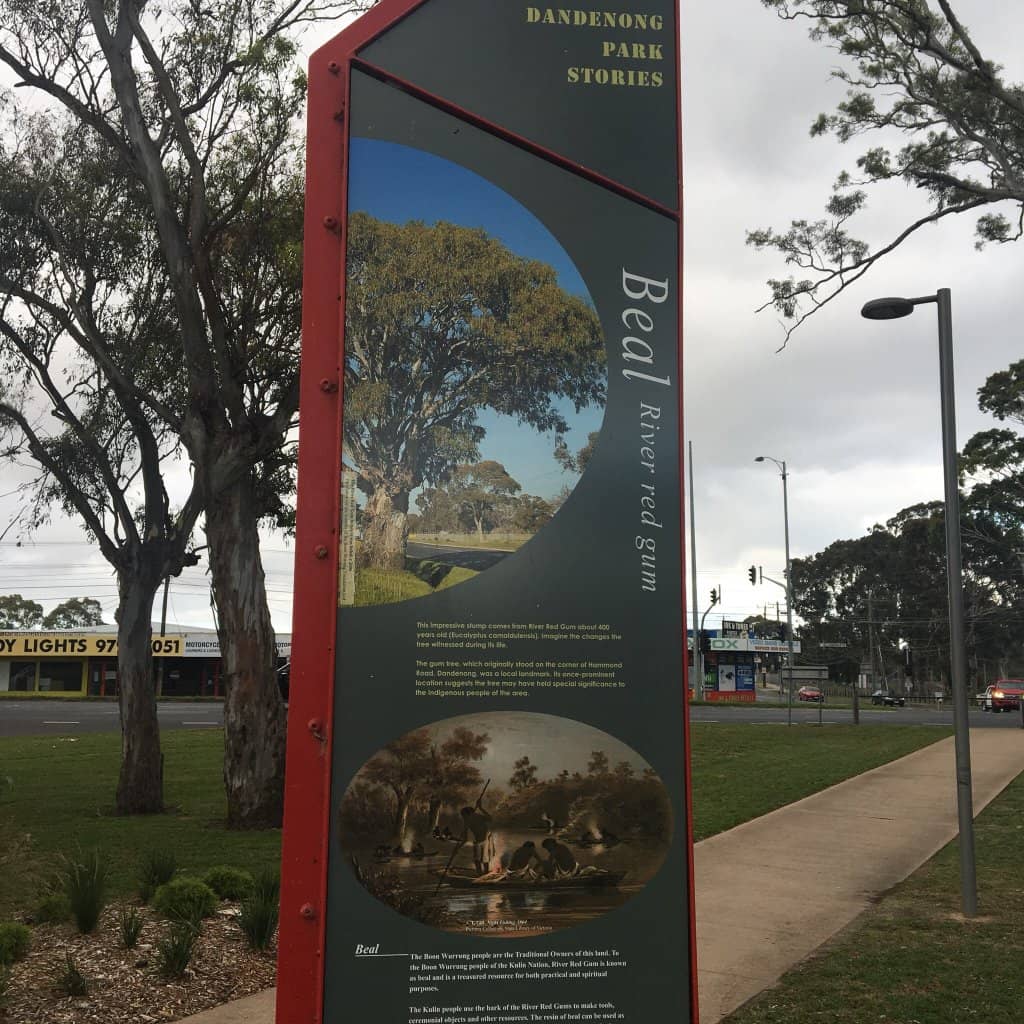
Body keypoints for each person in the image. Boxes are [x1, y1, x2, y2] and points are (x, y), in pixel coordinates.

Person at [460, 796, 493, 875]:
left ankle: (484, 874)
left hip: (485, 839)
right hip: (480, 840)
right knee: (480, 859)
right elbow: (465, 838)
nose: (463, 817)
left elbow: (490, 819)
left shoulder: (473, 818)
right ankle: (481, 874)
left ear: (467, 814)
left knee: (482, 859)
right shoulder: (469, 820)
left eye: (463, 815)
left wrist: (481, 808)